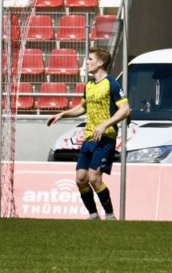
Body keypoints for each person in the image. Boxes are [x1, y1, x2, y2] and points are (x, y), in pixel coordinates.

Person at [47, 48, 131, 220]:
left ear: (100, 63)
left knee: (94, 178)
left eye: (89, 59)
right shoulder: (89, 85)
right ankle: (93, 215)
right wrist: (63, 114)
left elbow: (125, 109)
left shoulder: (112, 84)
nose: (86, 62)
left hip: (105, 137)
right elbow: (82, 108)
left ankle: (109, 215)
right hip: (89, 137)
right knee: (80, 178)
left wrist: (104, 125)